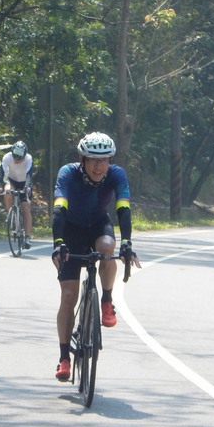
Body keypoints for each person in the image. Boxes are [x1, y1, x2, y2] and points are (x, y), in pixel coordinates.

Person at [50, 132, 141, 382]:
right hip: (71, 229)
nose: (99, 166)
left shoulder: (116, 174)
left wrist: (128, 243)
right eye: (93, 160)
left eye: (104, 160)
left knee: (107, 248)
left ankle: (106, 299)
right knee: (68, 295)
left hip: (99, 224)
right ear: (82, 159)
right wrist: (59, 243)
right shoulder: (67, 173)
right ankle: (64, 357)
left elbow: (123, 208)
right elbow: (59, 209)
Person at [0, 140, 34, 249]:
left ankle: (27, 237)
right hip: (12, 181)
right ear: (12, 153)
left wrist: (28, 187)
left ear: (24, 156)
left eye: (19, 158)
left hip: (24, 183)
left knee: (25, 208)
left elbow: (29, 175)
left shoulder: (28, 159)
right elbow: (1, 174)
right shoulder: (7, 157)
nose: (17, 160)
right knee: (7, 190)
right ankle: (10, 214)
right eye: (15, 157)